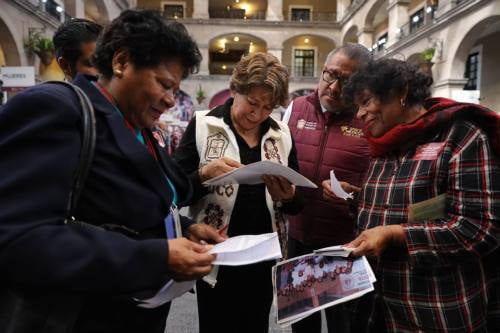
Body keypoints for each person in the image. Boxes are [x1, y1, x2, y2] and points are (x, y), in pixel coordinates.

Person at [0, 10, 224, 333]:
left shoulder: (136, 122)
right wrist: (156, 257)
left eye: (175, 90)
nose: (170, 101)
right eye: (164, 85)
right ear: (121, 62)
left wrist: (183, 227)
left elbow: (118, 205)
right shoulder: (56, 109)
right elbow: (21, 238)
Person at [329, 58, 500, 332]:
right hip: (378, 307)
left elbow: (481, 228)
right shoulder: (384, 143)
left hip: (435, 309)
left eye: (366, 101)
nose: (359, 114)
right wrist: (358, 200)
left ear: (401, 92)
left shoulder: (462, 136)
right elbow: (403, 203)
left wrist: (397, 234)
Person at [174, 52, 304, 333]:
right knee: (215, 325)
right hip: (217, 254)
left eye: (267, 107)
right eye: (252, 102)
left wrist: (288, 196)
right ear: (235, 89)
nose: (257, 114)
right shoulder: (203, 124)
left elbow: (297, 203)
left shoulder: (282, 134)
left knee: (256, 325)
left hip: (264, 257)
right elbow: (174, 191)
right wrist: (203, 175)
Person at [281, 43, 372, 333]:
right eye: (330, 75)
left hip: (344, 247)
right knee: (302, 325)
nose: (333, 87)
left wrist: (356, 196)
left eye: (346, 82)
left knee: (343, 326)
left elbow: (382, 186)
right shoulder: (295, 109)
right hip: (298, 241)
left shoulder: (369, 120)